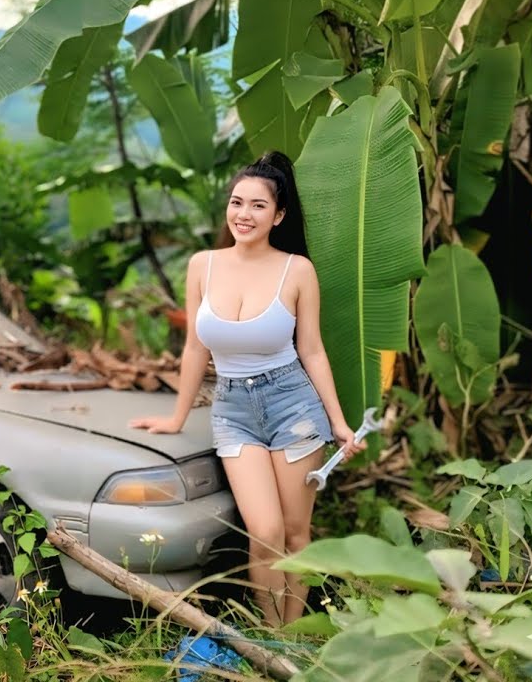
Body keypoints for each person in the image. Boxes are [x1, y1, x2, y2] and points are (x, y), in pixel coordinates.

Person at [129, 151, 360, 627]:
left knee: (295, 532)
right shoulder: (203, 265)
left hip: (293, 406)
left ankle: (293, 637)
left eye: (258, 205)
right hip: (232, 409)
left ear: (278, 216)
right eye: (237, 202)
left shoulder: (297, 270)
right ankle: (274, 637)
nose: (244, 214)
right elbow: (195, 347)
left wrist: (338, 423)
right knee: (265, 531)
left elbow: (312, 350)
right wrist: (176, 416)